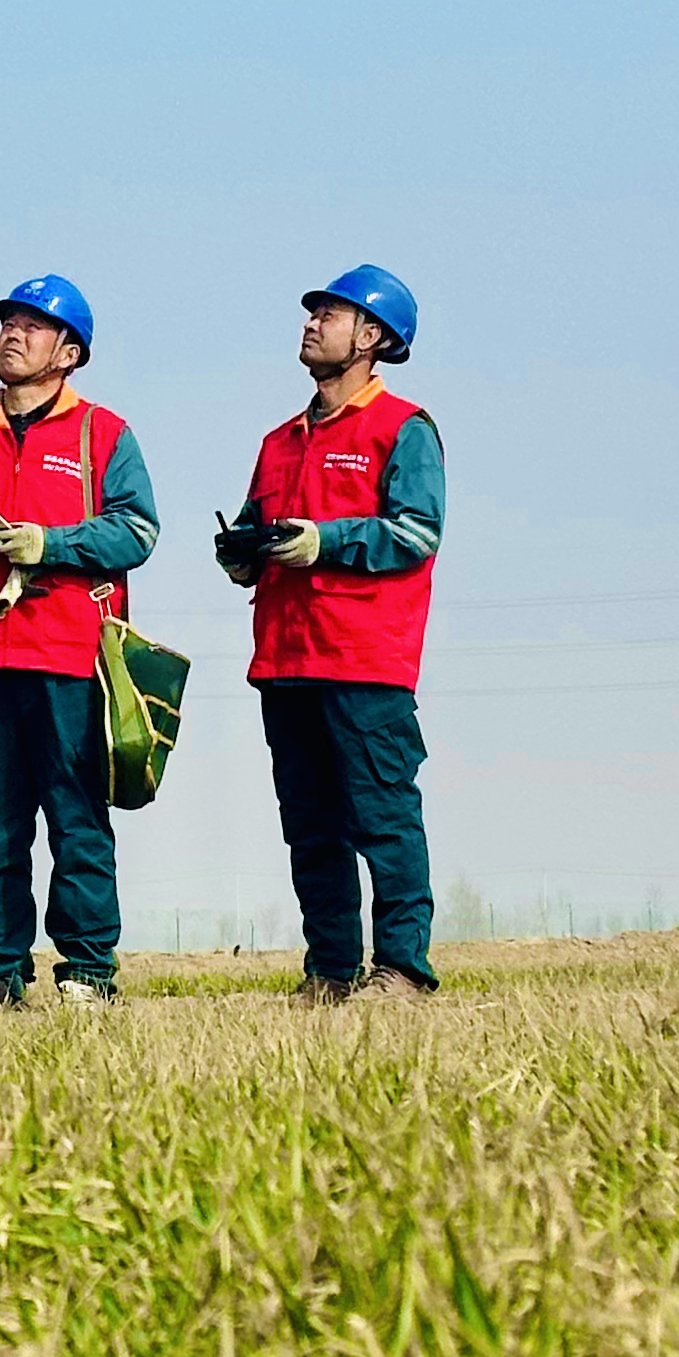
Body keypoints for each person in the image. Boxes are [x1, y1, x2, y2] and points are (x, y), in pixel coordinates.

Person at [0, 275, 160, 1012]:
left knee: (78, 821)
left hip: (71, 657)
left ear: (69, 353)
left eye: (34, 326)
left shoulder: (104, 433)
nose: (13, 333)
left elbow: (137, 530)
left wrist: (51, 544)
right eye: (8, 321)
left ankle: (89, 974)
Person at [217, 266, 444, 1004]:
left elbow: (416, 534)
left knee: (383, 819)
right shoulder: (278, 441)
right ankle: (331, 971)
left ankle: (403, 969)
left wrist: (326, 540)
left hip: (364, 662)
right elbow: (260, 527)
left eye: (330, 314)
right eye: (312, 313)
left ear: (372, 336)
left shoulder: (404, 429)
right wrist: (243, 554)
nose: (312, 324)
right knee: (311, 828)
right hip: (284, 662)